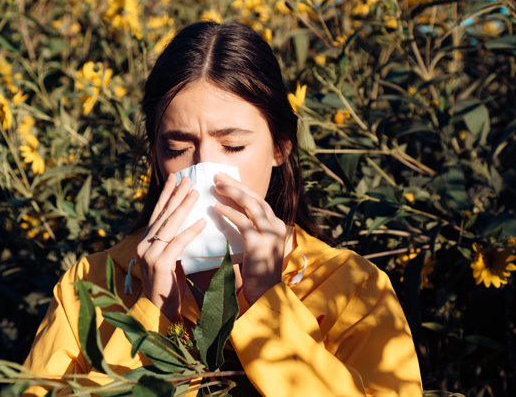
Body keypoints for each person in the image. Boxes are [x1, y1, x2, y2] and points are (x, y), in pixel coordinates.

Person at [22, 22, 423, 396]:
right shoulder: (90, 286)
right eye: (177, 149)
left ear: (280, 146)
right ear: (156, 155)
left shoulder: (351, 288)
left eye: (232, 146)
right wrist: (149, 319)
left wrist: (268, 301)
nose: (205, 171)